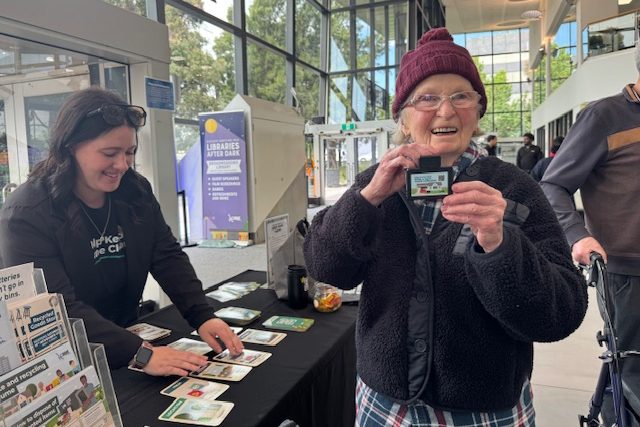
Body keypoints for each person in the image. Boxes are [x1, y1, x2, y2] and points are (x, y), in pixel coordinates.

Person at [304, 27, 587, 426]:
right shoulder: (377, 182)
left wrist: (500, 245)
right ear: (403, 118)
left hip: (485, 410)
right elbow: (326, 267)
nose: (446, 110)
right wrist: (365, 201)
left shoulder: (514, 189)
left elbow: (562, 313)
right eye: (427, 98)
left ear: (478, 110)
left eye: (461, 96)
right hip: (385, 405)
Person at [0, 87, 243, 376]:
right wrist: (139, 353)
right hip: (63, 358)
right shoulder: (27, 213)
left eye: (129, 152)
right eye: (109, 153)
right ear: (70, 147)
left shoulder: (135, 191)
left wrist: (202, 315)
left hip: (125, 332)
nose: (122, 165)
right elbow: (57, 308)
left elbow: (166, 256)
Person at [541, 43, 640, 423]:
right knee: (633, 377)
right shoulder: (603, 116)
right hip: (627, 275)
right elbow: (553, 186)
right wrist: (578, 236)